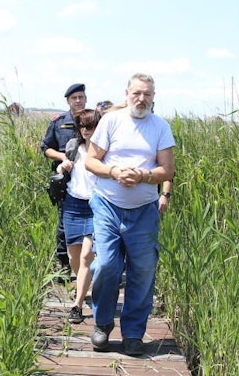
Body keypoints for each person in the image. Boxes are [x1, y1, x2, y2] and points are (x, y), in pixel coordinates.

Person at [84, 73, 176, 356]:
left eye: (147, 94)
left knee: (143, 270)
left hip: (143, 211)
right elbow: (90, 160)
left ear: (153, 97)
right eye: (137, 93)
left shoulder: (160, 127)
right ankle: (102, 324)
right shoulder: (112, 121)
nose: (141, 98)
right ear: (127, 94)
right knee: (107, 265)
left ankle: (133, 333)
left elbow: (167, 170)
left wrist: (144, 175)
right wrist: (113, 171)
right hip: (108, 204)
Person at [55, 108, 101, 324]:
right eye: (82, 126)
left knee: (86, 256)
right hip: (73, 204)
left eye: (90, 126)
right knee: (74, 257)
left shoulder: (105, 150)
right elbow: (61, 169)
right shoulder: (74, 146)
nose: (85, 130)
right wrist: (62, 167)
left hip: (96, 205)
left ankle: (78, 304)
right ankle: (84, 282)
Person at [41, 83, 88, 275]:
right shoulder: (59, 122)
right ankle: (65, 266)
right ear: (68, 101)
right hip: (65, 180)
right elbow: (46, 148)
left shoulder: (94, 120)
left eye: (81, 97)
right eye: (74, 98)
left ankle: (89, 265)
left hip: (89, 181)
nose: (78, 101)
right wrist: (63, 158)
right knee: (64, 223)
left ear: (86, 99)